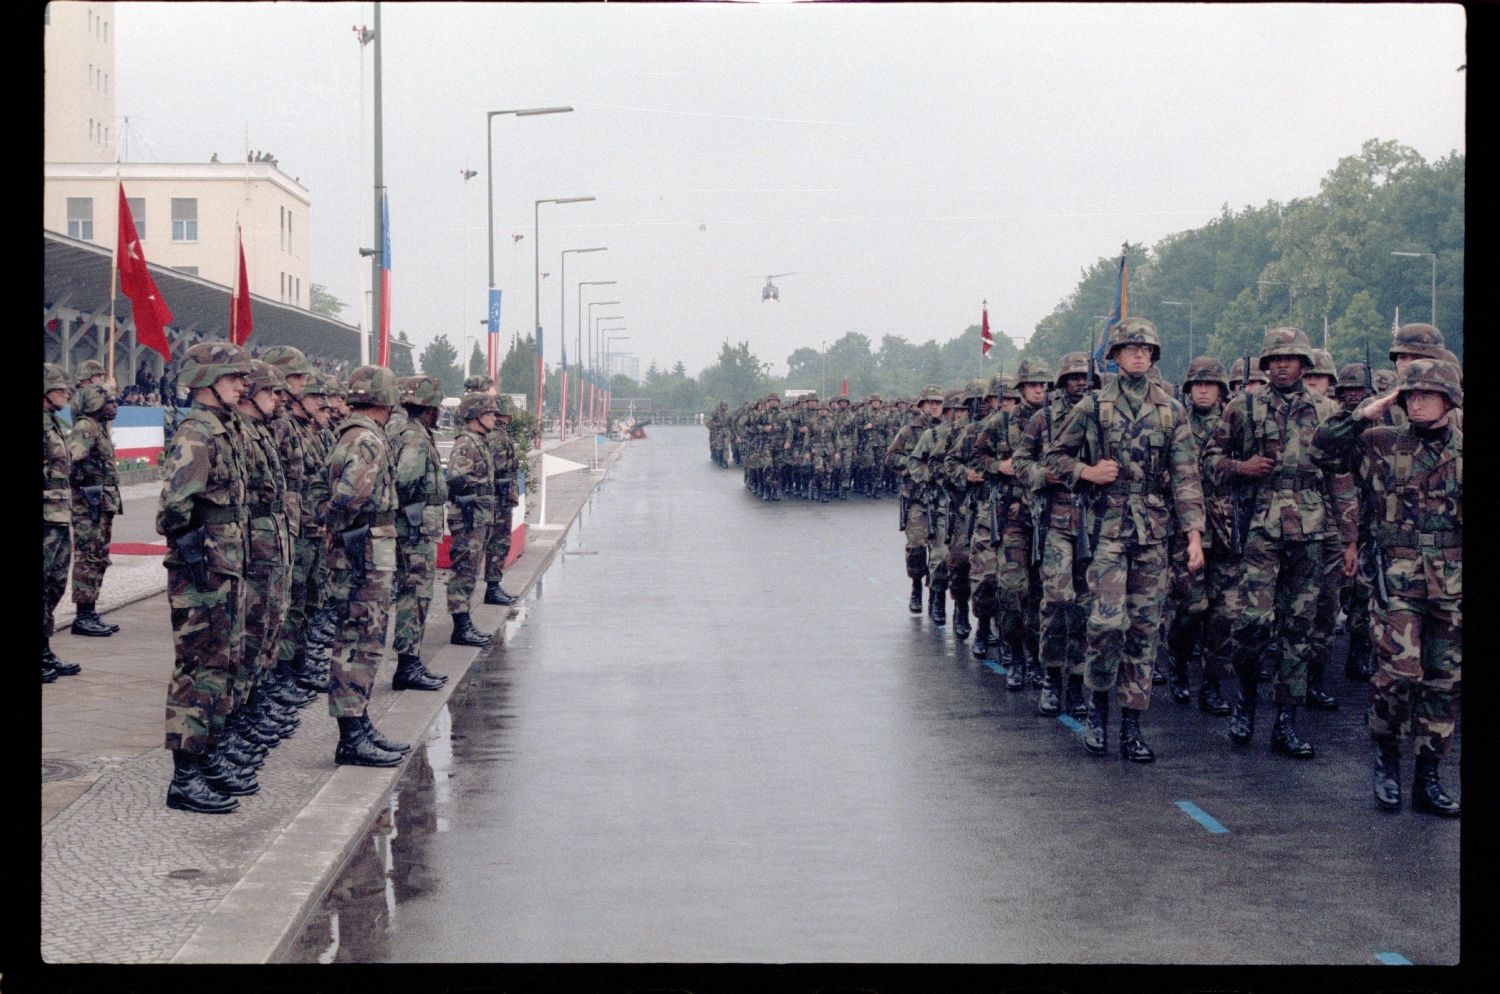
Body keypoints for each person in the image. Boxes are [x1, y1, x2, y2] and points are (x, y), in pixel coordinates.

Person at [1043, 319, 1205, 762]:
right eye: (1129, 348)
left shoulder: (1171, 409)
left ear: (1154, 356)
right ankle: (1097, 711)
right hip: (1107, 526)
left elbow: (1187, 476)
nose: (1138, 354)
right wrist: (1086, 473)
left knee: (1144, 630)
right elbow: (1054, 457)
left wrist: (1194, 536)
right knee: (1106, 624)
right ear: (1113, 356)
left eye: (1145, 348)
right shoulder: (1095, 406)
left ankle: (1132, 725)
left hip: (1153, 529)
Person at [1312, 358, 1461, 816]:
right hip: (1396, 577)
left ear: (1448, 401)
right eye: (1409, 395)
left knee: (1444, 681)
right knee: (1399, 674)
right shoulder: (1380, 442)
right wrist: (1361, 414)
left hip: (1452, 580)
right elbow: (1322, 451)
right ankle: (1386, 760)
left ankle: (1428, 777)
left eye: (1426, 395)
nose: (1416, 402)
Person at [1202, 327, 1357, 759]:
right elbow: (1209, 461)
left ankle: (1286, 721)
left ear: (1305, 364)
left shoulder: (1328, 410)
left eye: (1291, 358)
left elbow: (1342, 480)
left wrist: (1349, 540)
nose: (1283, 364)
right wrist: (1241, 465)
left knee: (1300, 627)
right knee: (1251, 623)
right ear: (1265, 365)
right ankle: (1246, 700)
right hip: (1260, 526)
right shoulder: (1242, 406)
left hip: (1311, 527)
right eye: (1276, 358)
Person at [158, 342, 256, 814]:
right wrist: (197, 545)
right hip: (203, 570)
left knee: (223, 661)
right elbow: (173, 508)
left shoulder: (223, 427)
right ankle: (185, 774)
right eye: (233, 376)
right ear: (207, 380)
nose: (243, 383)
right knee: (198, 666)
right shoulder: (197, 433)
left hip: (224, 564)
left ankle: (207, 755)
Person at [323, 365, 408, 767]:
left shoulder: (354, 434)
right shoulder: (367, 440)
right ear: (385, 399)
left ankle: (359, 723)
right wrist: (347, 535)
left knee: (364, 638)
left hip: (364, 550)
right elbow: (347, 498)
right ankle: (351, 736)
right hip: (365, 553)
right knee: (361, 639)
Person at [1014, 353, 1094, 715]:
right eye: (1073, 377)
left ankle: (1076, 682)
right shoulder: (1042, 419)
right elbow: (1020, 461)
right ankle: (1051, 675)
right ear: (1061, 381)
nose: (1079, 382)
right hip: (1057, 518)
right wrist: (1039, 477)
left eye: (1084, 376)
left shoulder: (1102, 414)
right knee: (1057, 601)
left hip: (1095, 520)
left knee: (1084, 608)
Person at [390, 374, 450, 691]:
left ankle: (412, 661)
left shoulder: (415, 433)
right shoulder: (414, 439)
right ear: (428, 409)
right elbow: (403, 481)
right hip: (414, 531)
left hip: (416, 528)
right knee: (414, 596)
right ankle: (407, 665)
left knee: (418, 596)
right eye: (436, 407)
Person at [67, 383, 123, 637]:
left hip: (100, 502)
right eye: (109, 402)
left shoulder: (98, 428)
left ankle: (90, 611)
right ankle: (83, 615)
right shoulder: (86, 427)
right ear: (95, 405)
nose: (114, 406)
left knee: (98, 556)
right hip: (88, 502)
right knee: (89, 556)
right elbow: (72, 457)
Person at [446, 392, 499, 647]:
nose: (493, 418)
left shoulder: (479, 440)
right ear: (475, 416)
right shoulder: (466, 442)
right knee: (464, 572)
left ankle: (465, 622)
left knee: (471, 570)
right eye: (489, 413)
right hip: (469, 518)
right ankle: (460, 627)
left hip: (480, 516)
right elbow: (456, 477)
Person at [887, 386, 945, 614]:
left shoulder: (948, 431)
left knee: (941, 554)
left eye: (938, 403)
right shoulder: (909, 431)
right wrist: (913, 465)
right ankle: (916, 586)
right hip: (916, 499)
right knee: (917, 548)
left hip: (941, 499)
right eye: (930, 402)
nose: (934, 406)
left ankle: (936, 595)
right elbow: (891, 458)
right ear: (921, 406)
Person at [43, 364, 82, 682]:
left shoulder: (55, 423)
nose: (66, 394)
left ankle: (44, 647)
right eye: (59, 389)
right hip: (45, 518)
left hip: (57, 516)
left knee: (54, 584)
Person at [484, 395, 522, 605]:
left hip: (500, 496)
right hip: (499, 498)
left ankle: (494, 585)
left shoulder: (497, 433)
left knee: (499, 542)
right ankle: (492, 587)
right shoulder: (497, 436)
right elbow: (497, 469)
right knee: (498, 542)